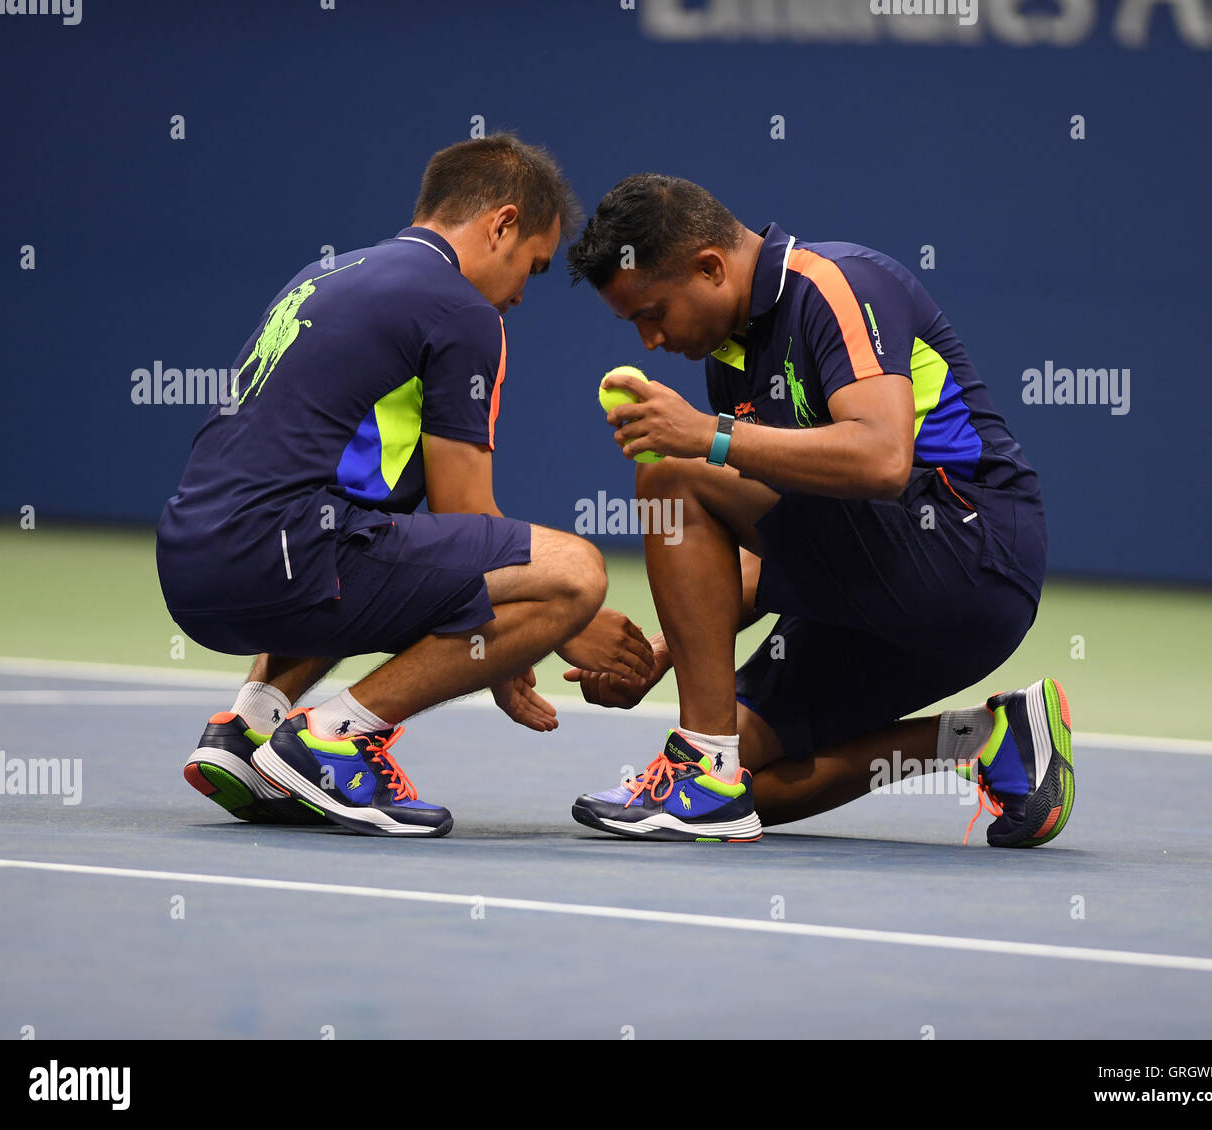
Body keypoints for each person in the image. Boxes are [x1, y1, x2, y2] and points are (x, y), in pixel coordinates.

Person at [157, 134, 654, 838]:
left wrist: (497, 645)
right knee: (574, 571)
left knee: (370, 530)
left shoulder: (324, 274)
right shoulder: (463, 310)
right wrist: (562, 627)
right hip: (278, 556)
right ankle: (335, 739)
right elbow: (467, 516)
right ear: (502, 225)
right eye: (531, 270)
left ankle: (248, 727)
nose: (518, 295)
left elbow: (421, 540)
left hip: (191, 564)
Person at [563, 174, 1072, 846]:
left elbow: (884, 459)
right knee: (749, 790)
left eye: (651, 313)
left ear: (709, 267)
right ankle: (987, 739)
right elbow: (772, 539)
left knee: (670, 478)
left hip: (970, 548)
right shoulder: (729, 357)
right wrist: (663, 651)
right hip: (883, 591)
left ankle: (702, 766)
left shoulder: (837, 284)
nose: (650, 340)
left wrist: (707, 437)